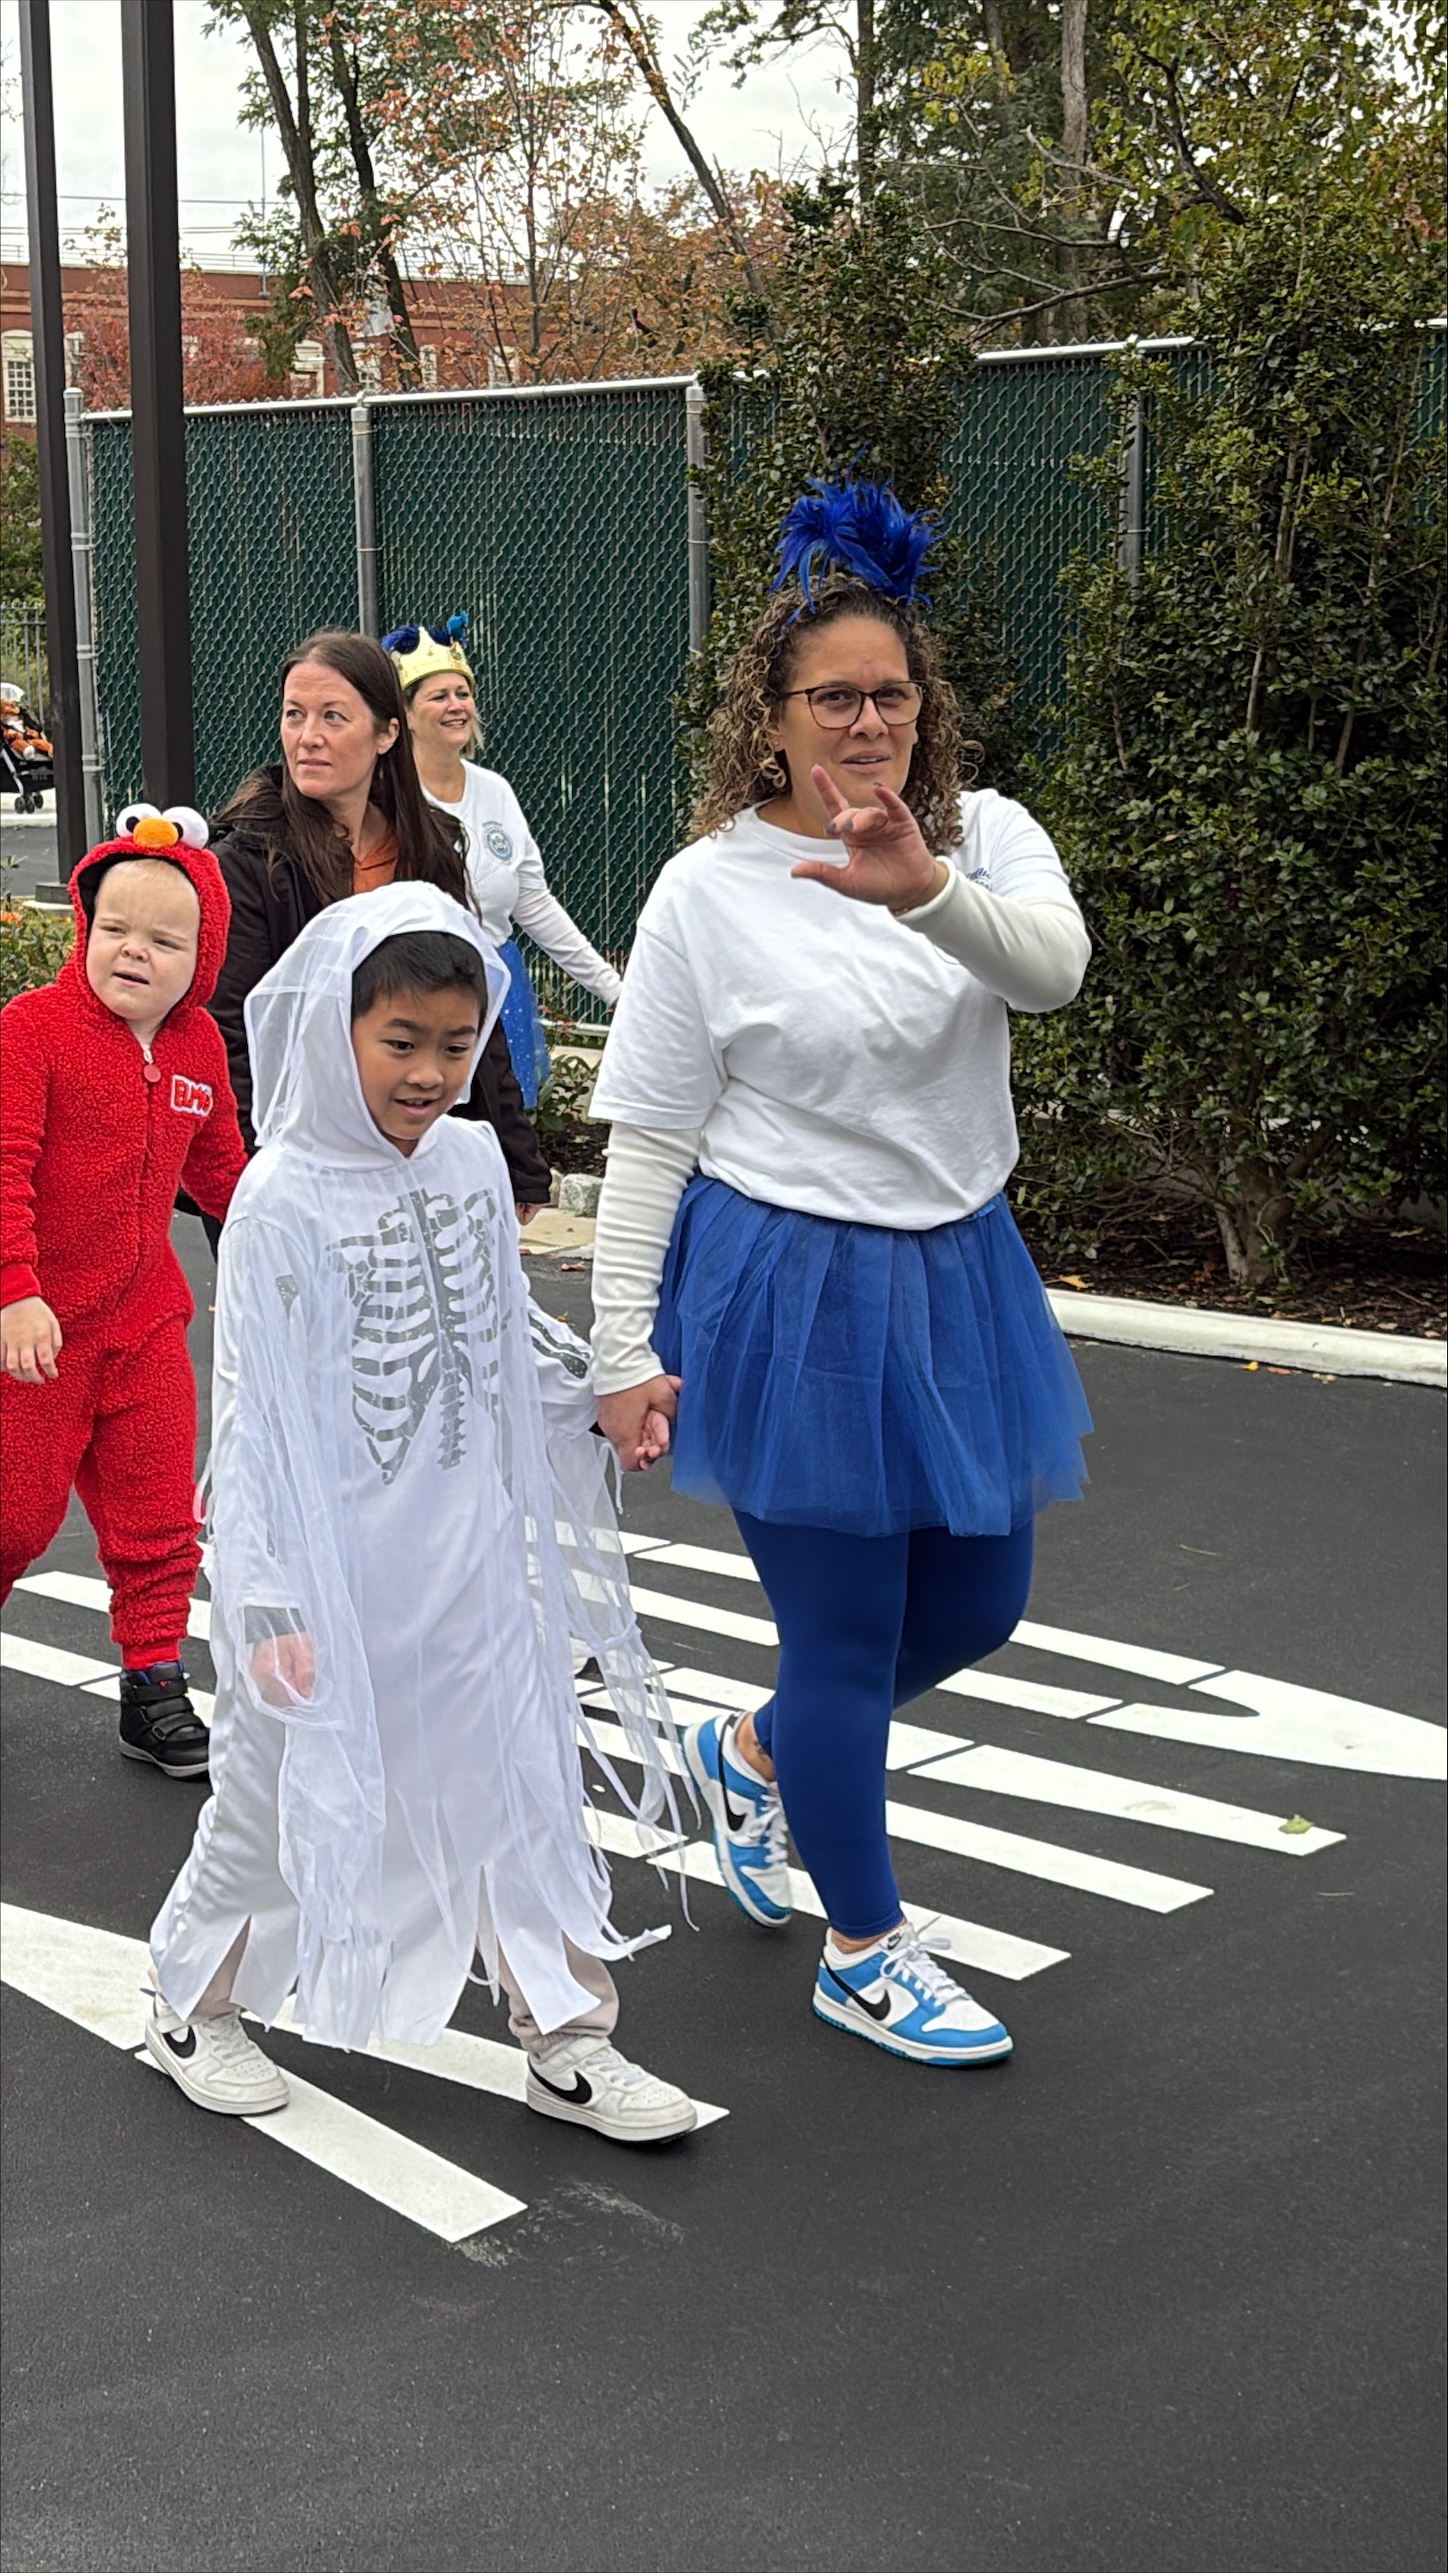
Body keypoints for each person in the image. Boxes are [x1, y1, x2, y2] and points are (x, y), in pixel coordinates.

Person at [586, 476, 1093, 2070]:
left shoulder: (986, 837)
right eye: (834, 697)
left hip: (959, 1272)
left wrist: (926, 889)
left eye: (891, 694)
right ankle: (863, 1948)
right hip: (784, 1283)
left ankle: (751, 1753)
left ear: (923, 706)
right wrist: (618, 1348)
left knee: (983, 1603)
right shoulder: (708, 889)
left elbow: (1056, 975)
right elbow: (653, 1137)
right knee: (849, 1641)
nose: (868, 721)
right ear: (774, 715)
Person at [144, 883, 696, 2145]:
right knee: (275, 1796)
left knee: (512, 1781)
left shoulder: (466, 1160)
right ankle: (190, 2000)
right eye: (401, 1041)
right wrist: (268, 1600)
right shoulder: (281, 1193)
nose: (430, 1074)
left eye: (456, 1044)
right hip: (327, 1565)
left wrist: (594, 1399)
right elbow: (253, 1411)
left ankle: (566, 2031)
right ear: (338, 1029)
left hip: (463, 1549)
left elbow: (494, 1336)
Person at [0, 811, 247, 1778]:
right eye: (115, 929)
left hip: (145, 1321)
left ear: (203, 958)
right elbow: (5, 1168)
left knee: (158, 1515)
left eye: (163, 940)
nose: (134, 951)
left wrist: (290, 1256)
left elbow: (226, 1175)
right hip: (40, 1329)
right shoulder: (33, 1031)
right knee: (15, 1515)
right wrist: (15, 1290)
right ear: (85, 927)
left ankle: (152, 1683)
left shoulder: (197, 1048)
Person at [206, 628, 551, 1221]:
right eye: (294, 715)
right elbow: (229, 1035)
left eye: (333, 717)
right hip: (296, 1166)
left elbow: (469, 1016)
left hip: (415, 1152)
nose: (307, 737)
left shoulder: (428, 850)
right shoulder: (249, 861)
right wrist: (254, 1185)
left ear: (387, 733)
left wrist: (516, 1161)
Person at [385, 615, 622, 1107]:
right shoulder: (388, 798)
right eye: (438, 696)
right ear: (405, 714)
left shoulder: (496, 791)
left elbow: (531, 901)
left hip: (495, 984)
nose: (456, 706)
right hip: (414, 990)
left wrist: (612, 989)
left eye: (463, 693)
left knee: (502, 1126)